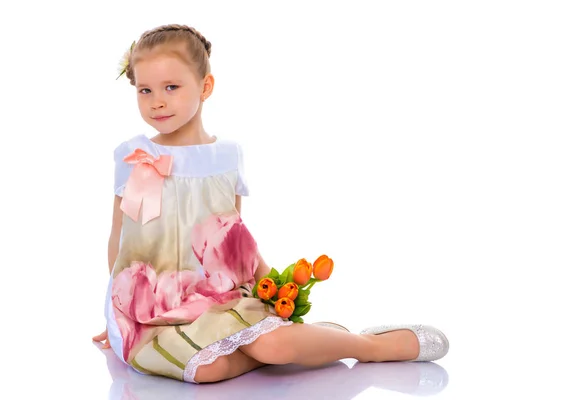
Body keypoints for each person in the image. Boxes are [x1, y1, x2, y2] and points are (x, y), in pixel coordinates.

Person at [92, 23, 449, 384]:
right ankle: (297, 345)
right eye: (145, 90)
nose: (157, 101)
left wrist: (269, 287)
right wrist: (116, 312)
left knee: (273, 346)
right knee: (205, 370)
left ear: (205, 86)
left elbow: (231, 239)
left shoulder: (226, 156)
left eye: (171, 87)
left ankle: (367, 345)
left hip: (219, 296)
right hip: (155, 309)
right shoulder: (136, 156)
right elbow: (120, 239)